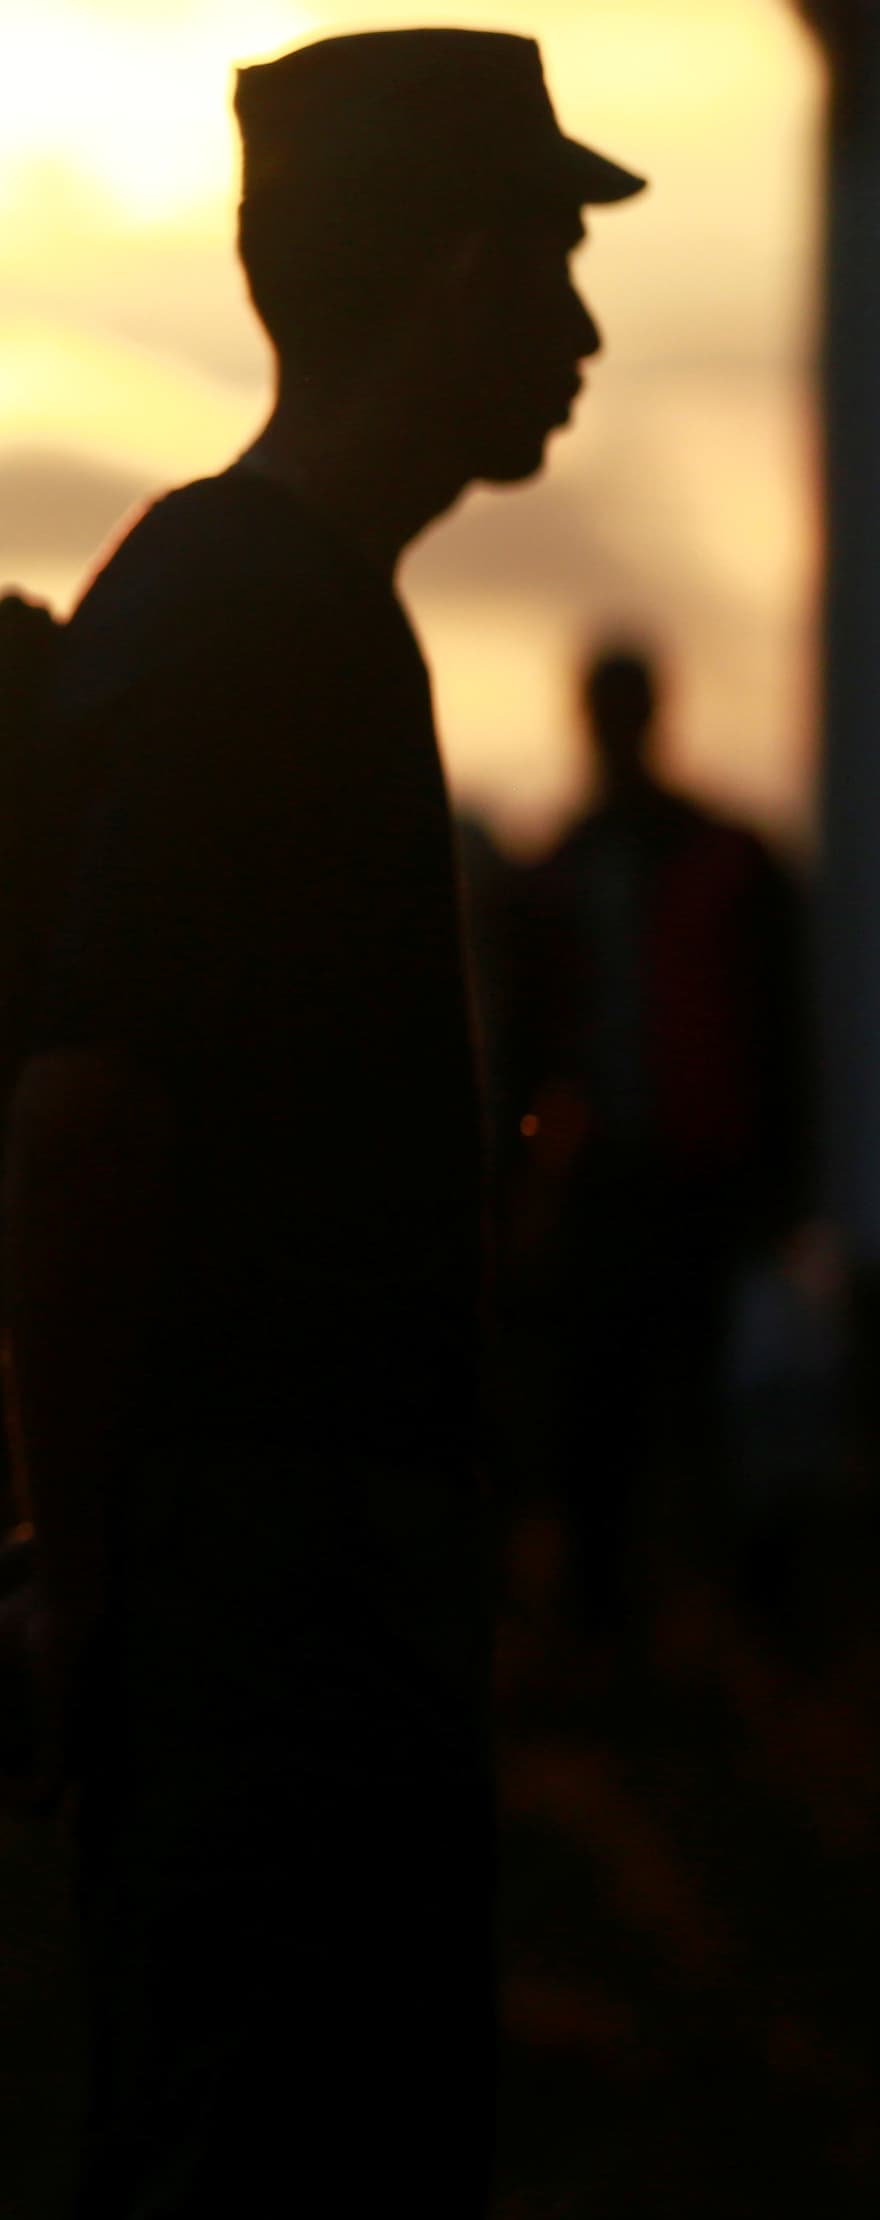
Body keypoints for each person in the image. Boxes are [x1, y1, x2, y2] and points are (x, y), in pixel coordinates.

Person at [0, 31, 642, 2213]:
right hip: (272, 1624)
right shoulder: (260, 626)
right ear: (455, 272)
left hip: (289, 1602)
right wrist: (85, 1582)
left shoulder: (270, 607)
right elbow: (85, 1118)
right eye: (552, 259)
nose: (582, 326)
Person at [504, 643, 806, 1640]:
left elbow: (780, 1025)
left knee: (678, 1401)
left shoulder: (652, 861)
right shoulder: (585, 864)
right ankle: (639, 1622)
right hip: (621, 1178)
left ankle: (689, 1622)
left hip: (689, 1176)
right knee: (622, 1405)